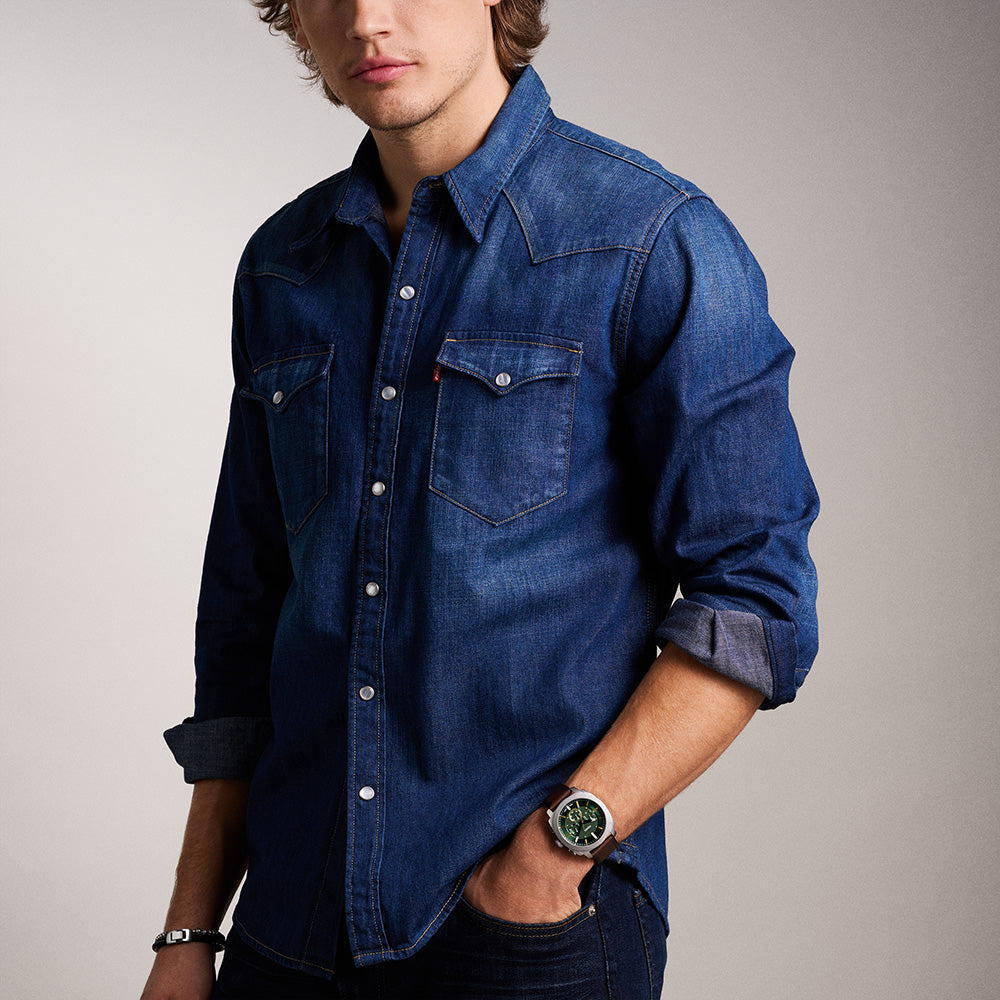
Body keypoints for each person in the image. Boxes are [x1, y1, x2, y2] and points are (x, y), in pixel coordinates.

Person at [140, 1, 819, 997]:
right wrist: (190, 929)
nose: (367, 18)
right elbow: (245, 627)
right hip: (288, 926)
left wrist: (557, 851)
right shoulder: (284, 267)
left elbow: (755, 599)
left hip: (525, 938)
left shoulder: (650, 240)